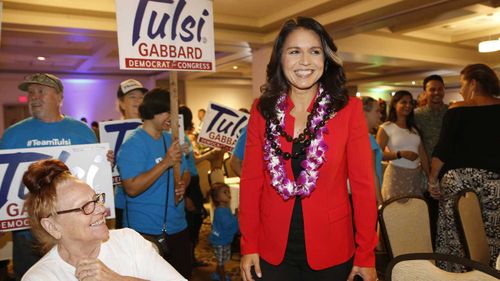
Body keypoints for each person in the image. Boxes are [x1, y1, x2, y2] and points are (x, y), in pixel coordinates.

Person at [239, 17, 378, 281]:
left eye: (314, 51)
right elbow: (251, 182)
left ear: (326, 59)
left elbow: (363, 187)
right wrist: (249, 245)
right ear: (280, 58)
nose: (305, 61)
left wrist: (366, 255)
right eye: (294, 51)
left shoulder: (348, 110)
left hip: (333, 247)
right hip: (271, 248)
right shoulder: (262, 109)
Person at [0, 73, 98, 280]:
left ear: (59, 97)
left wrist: (107, 161)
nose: (34, 97)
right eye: (31, 93)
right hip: (29, 233)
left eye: (41, 91)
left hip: (74, 232)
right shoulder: (11, 135)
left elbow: (95, 177)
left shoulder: (82, 132)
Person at [21, 159, 185, 281]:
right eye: (85, 206)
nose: (101, 209)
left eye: (96, 199)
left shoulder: (129, 241)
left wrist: (117, 279)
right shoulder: (41, 277)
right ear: (52, 227)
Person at [429, 63, 500, 272]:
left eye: (462, 84)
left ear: (474, 83)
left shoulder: (457, 110)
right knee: (493, 233)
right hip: (494, 183)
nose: (460, 90)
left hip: (460, 182)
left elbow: (442, 150)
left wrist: (432, 180)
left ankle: (456, 275)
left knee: (455, 233)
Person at [116, 88, 192, 279]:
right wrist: (166, 162)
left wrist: (182, 183)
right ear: (153, 111)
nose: (173, 119)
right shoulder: (133, 145)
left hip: (178, 226)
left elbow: (186, 171)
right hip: (145, 230)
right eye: (169, 113)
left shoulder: (171, 139)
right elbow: (132, 188)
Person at [376, 90, 430, 201]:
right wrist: (400, 154)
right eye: (404, 102)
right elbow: (377, 155)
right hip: (396, 176)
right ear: (395, 104)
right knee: (396, 213)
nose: (408, 105)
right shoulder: (386, 127)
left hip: (415, 177)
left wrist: (430, 176)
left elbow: (423, 155)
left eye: (410, 103)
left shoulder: (414, 129)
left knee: (414, 214)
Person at [414, 74, 448, 245]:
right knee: (428, 217)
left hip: (449, 173)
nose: (436, 92)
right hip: (424, 175)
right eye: (432, 89)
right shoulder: (416, 116)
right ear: (425, 92)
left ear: (444, 90)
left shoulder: (452, 113)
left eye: (439, 89)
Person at [114, 79, 148, 229]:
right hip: (122, 200)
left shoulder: (154, 129)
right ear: (121, 103)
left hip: (150, 197)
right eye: (132, 97)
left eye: (141, 97)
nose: (138, 101)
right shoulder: (111, 133)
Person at [179, 105, 209, 267]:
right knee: (192, 220)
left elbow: (193, 160)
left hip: (193, 180)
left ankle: (191, 256)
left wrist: (210, 153)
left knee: (196, 219)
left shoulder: (184, 136)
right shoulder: (178, 138)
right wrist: (186, 196)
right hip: (189, 183)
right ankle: (189, 257)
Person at [209, 183, 239, 281]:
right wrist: (236, 216)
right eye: (225, 192)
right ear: (217, 198)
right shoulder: (220, 211)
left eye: (228, 192)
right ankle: (222, 278)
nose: (228, 194)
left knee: (221, 261)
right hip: (219, 242)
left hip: (224, 241)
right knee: (221, 263)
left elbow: (229, 221)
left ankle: (216, 274)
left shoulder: (225, 209)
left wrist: (234, 216)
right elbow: (228, 224)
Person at [362, 97, 383, 206]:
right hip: (370, 193)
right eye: (377, 111)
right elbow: (372, 173)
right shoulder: (367, 138)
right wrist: (379, 200)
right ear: (365, 113)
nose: (380, 115)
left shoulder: (359, 136)